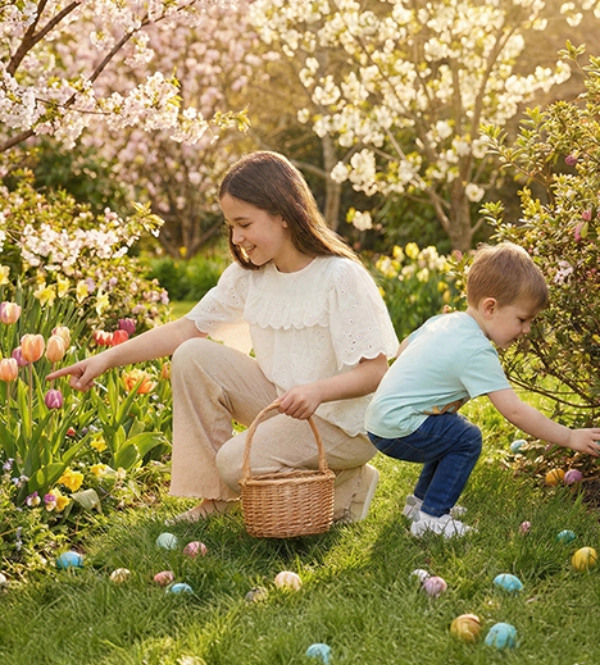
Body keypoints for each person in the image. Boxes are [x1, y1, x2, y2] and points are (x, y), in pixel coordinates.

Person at [49, 151, 399, 525]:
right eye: (231, 226)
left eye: (244, 223)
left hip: (341, 423)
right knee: (193, 354)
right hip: (285, 403)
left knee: (236, 462)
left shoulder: (339, 276)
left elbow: (375, 372)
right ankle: (215, 499)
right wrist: (106, 359)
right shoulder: (250, 276)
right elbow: (186, 328)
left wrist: (318, 391)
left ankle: (347, 483)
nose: (237, 238)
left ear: (283, 213)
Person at [364, 242, 600, 539]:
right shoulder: (476, 350)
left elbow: (404, 349)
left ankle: (421, 504)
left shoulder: (444, 321)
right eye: (522, 320)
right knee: (466, 438)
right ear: (490, 307)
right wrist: (569, 436)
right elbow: (514, 410)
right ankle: (431, 518)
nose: (526, 330)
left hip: (380, 420)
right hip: (396, 427)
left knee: (448, 431)